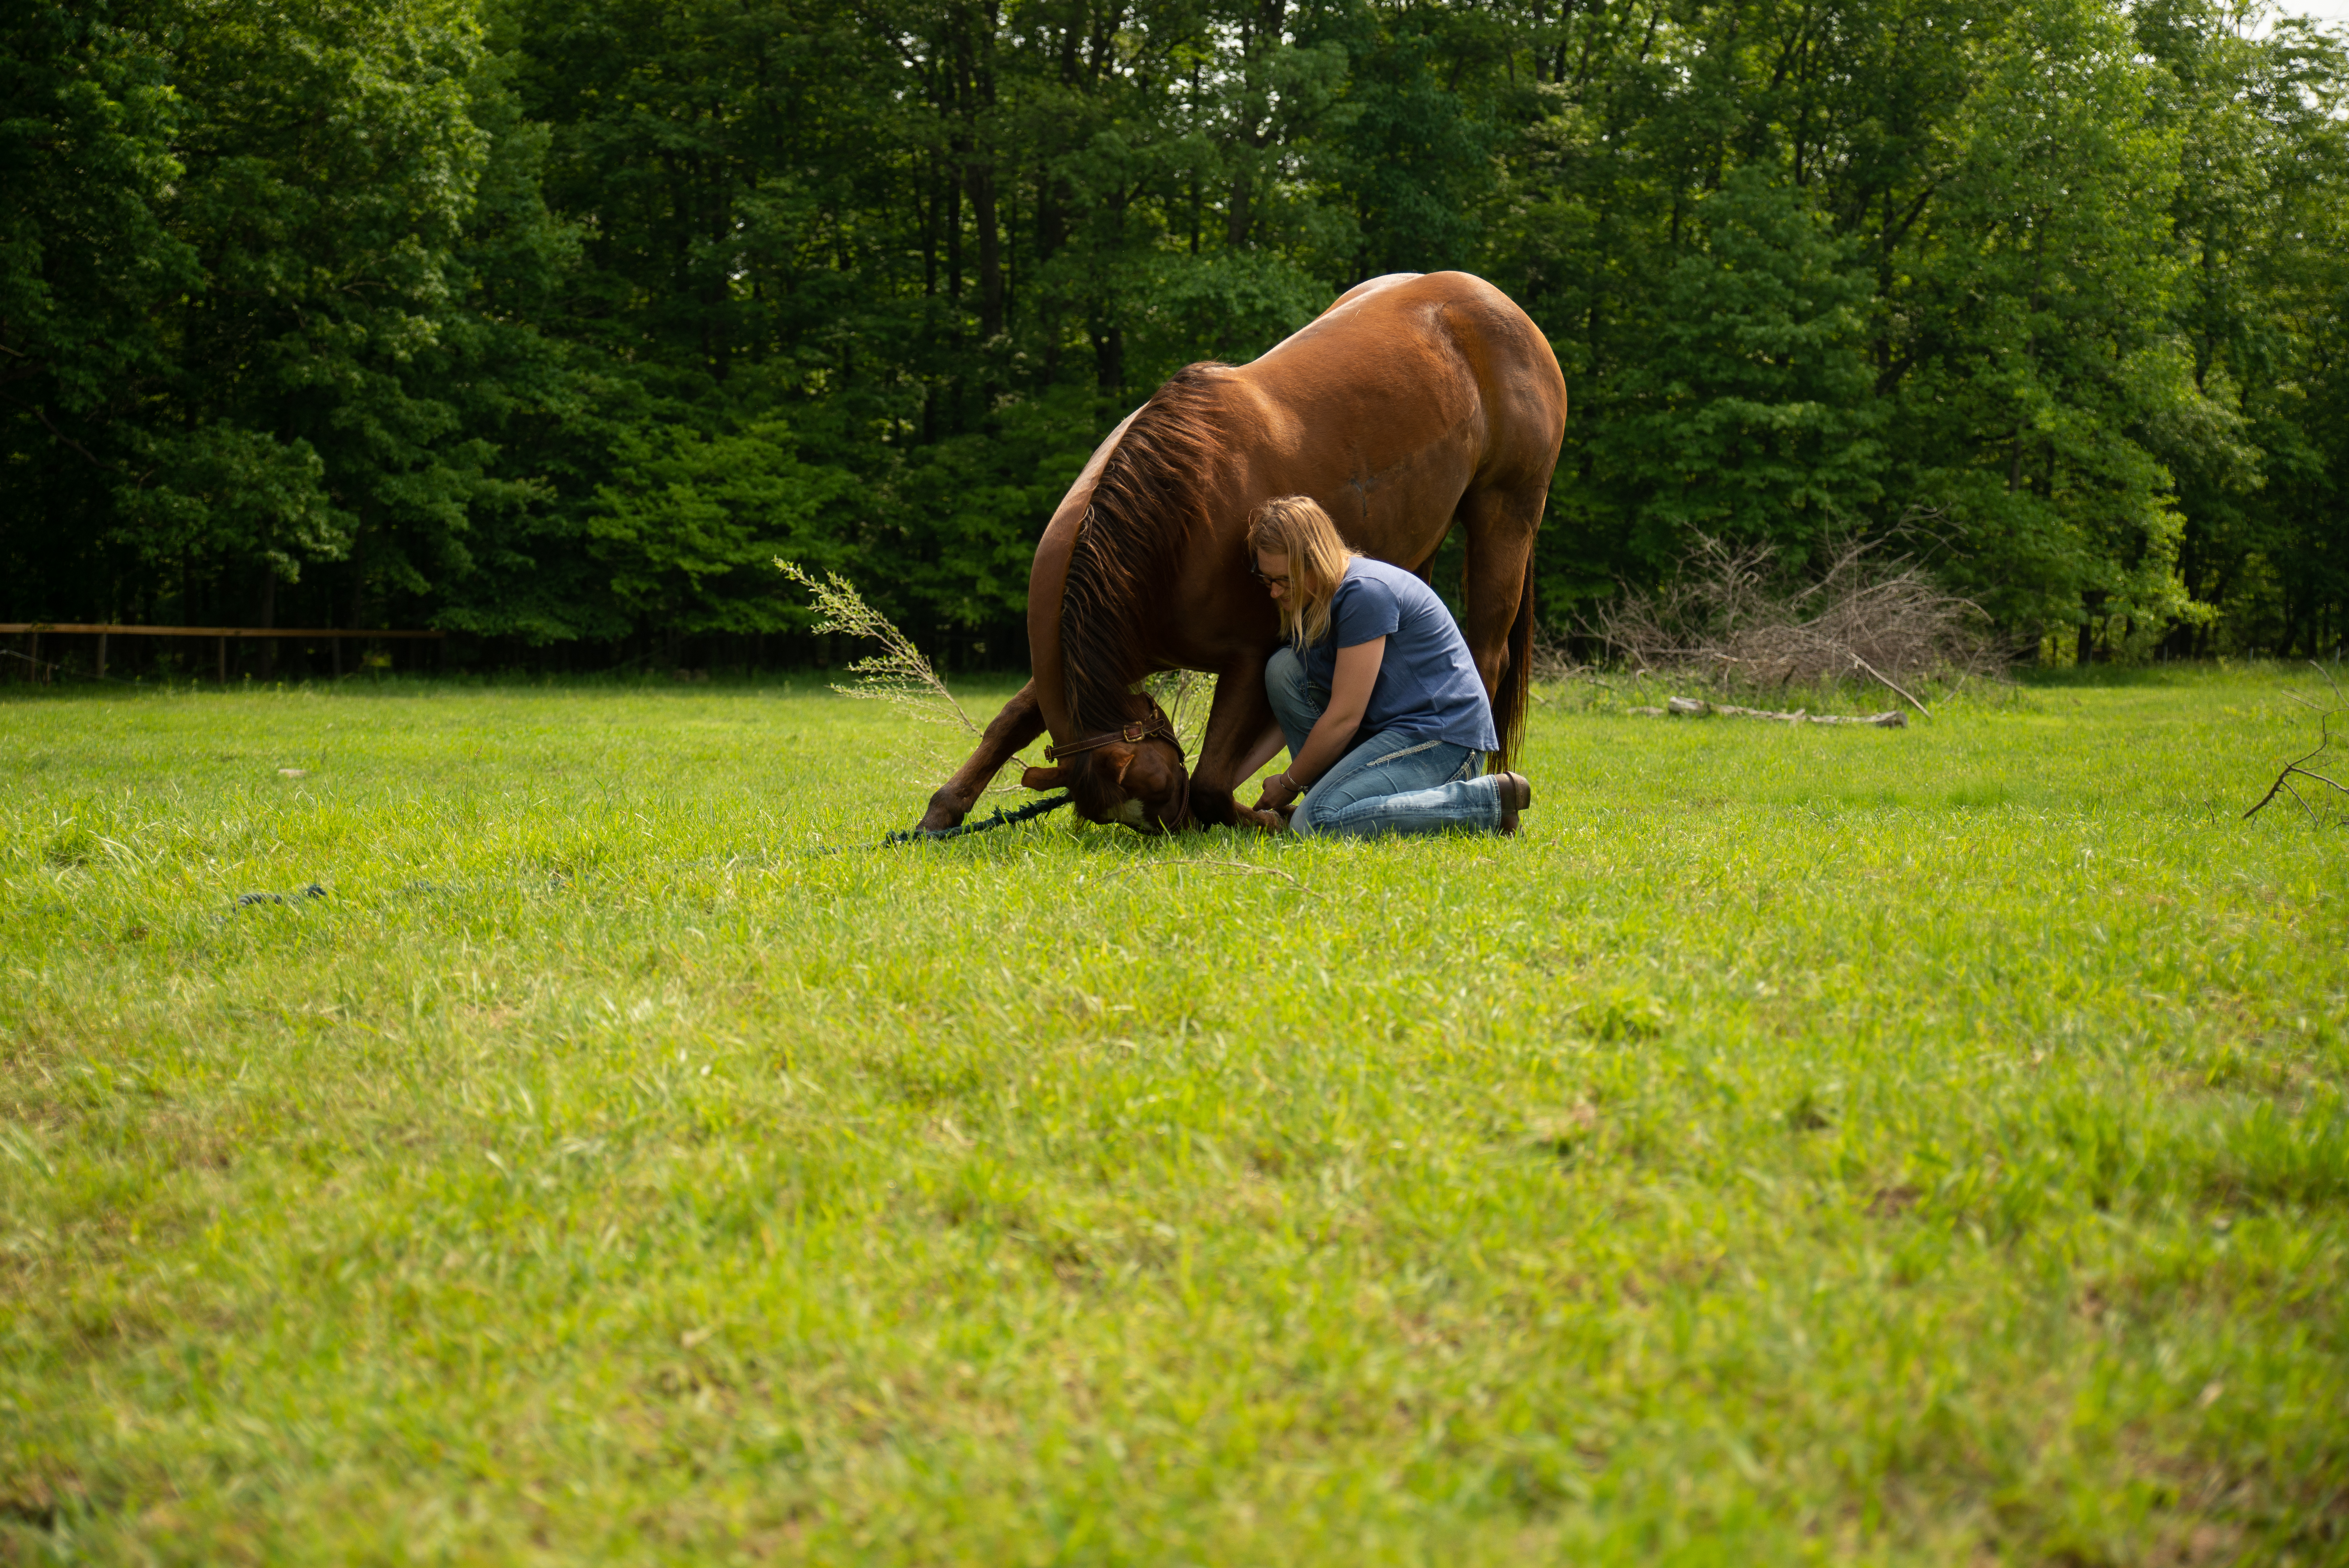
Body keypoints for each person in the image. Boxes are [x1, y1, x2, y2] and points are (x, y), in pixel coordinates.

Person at [1242, 495, 1532, 837]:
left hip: (1443, 741)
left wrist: (1290, 782)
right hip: (1391, 737)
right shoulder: (1314, 601)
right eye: (1267, 580)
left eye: (1283, 580)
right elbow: (1288, 711)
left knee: (1313, 823)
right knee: (1284, 668)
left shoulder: (1365, 593)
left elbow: (1344, 718)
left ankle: (1488, 802)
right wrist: (1219, 785)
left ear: (1314, 561)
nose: (1274, 593)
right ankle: (1341, 808)